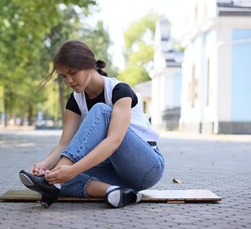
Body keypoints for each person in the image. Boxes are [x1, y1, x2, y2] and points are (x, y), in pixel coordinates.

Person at [19, 40, 165, 208]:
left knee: (101, 111)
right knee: (58, 176)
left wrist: (70, 170)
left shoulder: (119, 91)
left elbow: (114, 141)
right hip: (115, 172)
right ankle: (116, 192)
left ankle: (55, 184)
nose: (69, 81)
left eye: (72, 72)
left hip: (147, 167)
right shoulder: (75, 100)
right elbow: (64, 144)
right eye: (64, 76)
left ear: (89, 64)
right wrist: (45, 165)